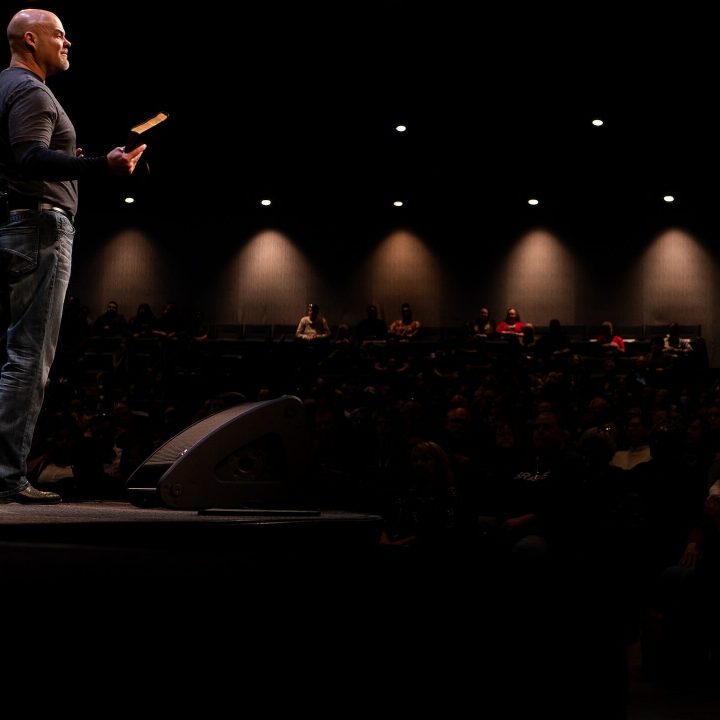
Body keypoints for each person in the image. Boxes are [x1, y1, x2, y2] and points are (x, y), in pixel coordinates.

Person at [0, 9, 146, 504]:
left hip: (15, 225)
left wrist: (70, 158)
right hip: (39, 229)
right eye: (60, 35)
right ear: (30, 38)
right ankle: (6, 476)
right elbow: (30, 157)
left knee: (12, 354)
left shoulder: (6, 88)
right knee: (27, 356)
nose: (68, 43)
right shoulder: (32, 91)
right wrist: (99, 165)